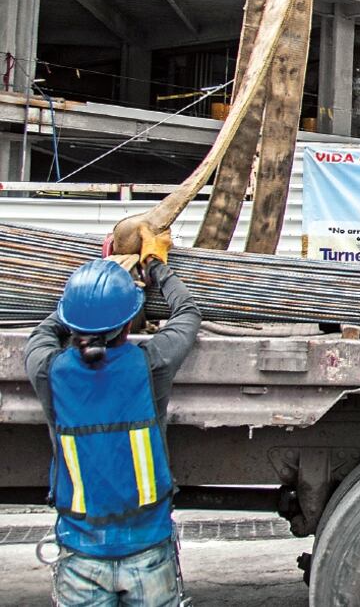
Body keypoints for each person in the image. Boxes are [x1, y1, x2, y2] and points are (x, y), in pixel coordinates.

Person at [24, 226, 201, 606]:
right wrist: (155, 266)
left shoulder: (47, 371)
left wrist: (84, 298)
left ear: (72, 325)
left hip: (80, 554)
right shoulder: (151, 365)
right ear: (130, 321)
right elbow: (187, 313)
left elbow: (44, 331)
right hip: (149, 549)